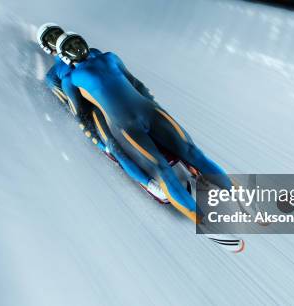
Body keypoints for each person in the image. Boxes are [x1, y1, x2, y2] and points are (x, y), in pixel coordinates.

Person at [55, 32, 234, 222]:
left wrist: (156, 106)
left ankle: (238, 197)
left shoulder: (109, 56)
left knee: (192, 151)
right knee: (155, 166)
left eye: (77, 42)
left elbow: (135, 84)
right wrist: (99, 142)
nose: (77, 48)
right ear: (64, 55)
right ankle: (196, 215)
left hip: (148, 112)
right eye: (70, 47)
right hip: (121, 124)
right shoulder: (68, 79)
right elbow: (81, 114)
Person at [37, 24, 164, 199]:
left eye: (57, 34)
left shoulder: (92, 52)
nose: (56, 40)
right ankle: (149, 183)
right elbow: (69, 104)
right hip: (93, 109)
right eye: (51, 39)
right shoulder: (53, 76)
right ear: (47, 47)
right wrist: (93, 135)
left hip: (117, 96)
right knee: (113, 146)